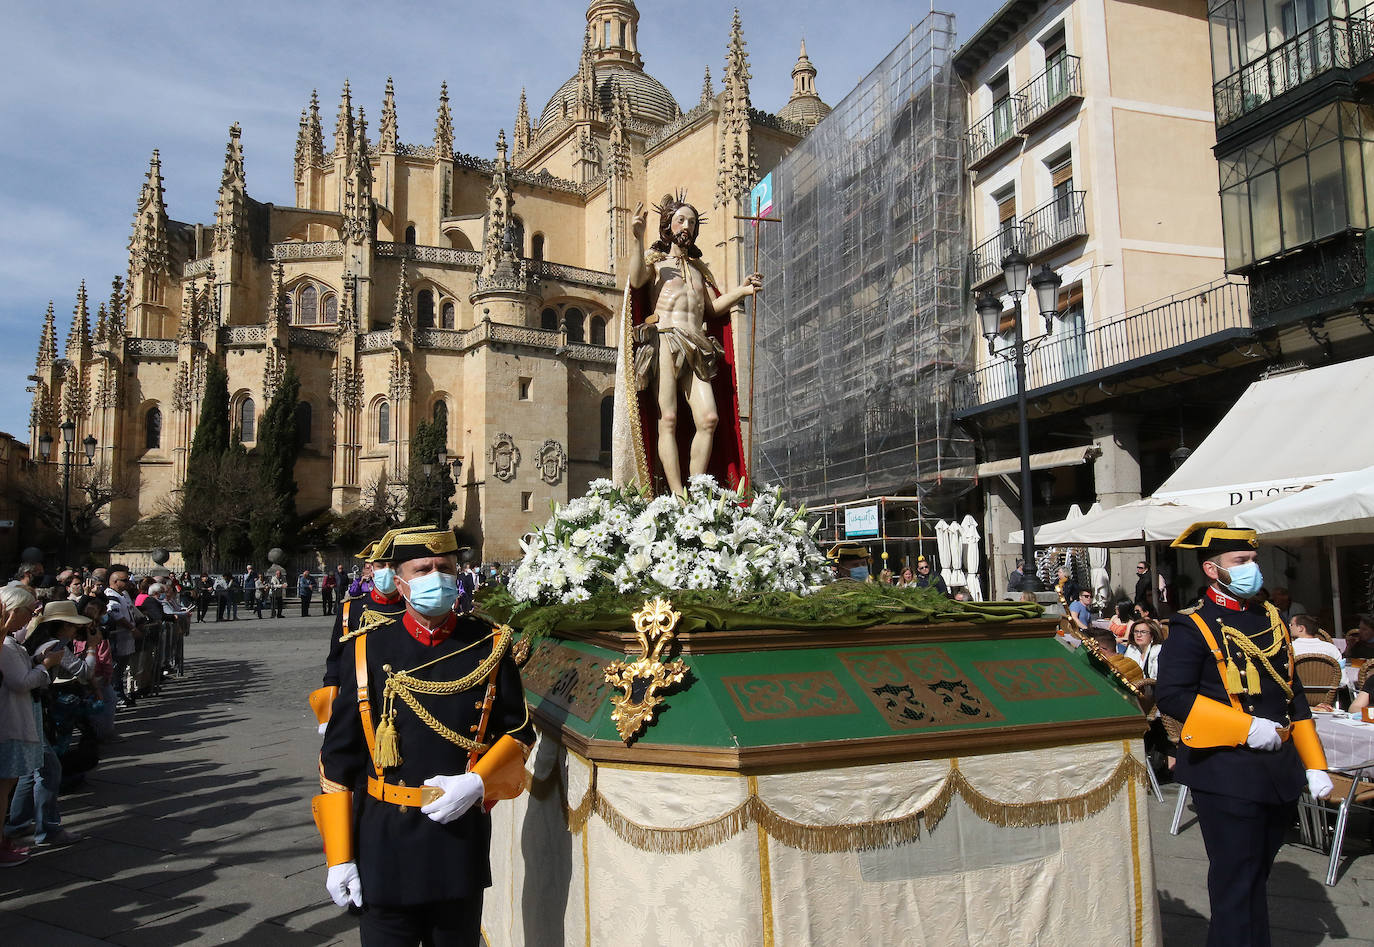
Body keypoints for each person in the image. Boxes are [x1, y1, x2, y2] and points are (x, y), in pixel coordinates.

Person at [315, 526, 535, 945]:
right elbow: (337, 760)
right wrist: (339, 856)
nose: (437, 577)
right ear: (400, 582)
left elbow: (519, 731)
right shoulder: (366, 649)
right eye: (423, 569)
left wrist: (478, 782)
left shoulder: (489, 643)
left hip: (457, 838)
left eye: (445, 568)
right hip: (384, 839)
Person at [1156, 521, 1332, 947]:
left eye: (1254, 559)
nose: (1254, 568)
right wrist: (1246, 728)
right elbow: (1172, 695)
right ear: (1213, 570)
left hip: (1278, 771)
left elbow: (1292, 696)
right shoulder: (1192, 625)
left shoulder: (1269, 616)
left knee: (1257, 878)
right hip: (1226, 771)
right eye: (1242, 561)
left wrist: (1315, 764)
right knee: (1236, 885)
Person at [617, 194, 759, 495]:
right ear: (668, 225)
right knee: (667, 418)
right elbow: (637, 280)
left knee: (709, 418)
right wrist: (638, 238)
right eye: (681, 220)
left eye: (692, 222)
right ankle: (677, 494)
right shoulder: (657, 263)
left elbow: (713, 308)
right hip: (666, 340)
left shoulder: (698, 270)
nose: (687, 226)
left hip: (697, 346)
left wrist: (742, 291)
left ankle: (696, 490)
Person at [5, 599, 96, 848]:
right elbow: (84, 673)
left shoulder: (33, 642)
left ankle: (18, 823)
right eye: (73, 625)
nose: (77, 630)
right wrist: (90, 650)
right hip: (35, 709)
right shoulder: (53, 646)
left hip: (35, 709)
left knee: (32, 770)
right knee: (48, 768)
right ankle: (46, 828)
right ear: (64, 625)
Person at [312, 532, 406, 734]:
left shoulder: (411, 608)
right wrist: (329, 710)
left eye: (392, 565)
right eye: (381, 566)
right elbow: (335, 660)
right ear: (371, 569)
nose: (387, 571)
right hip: (358, 698)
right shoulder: (351, 610)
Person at [0, 585, 45, 865]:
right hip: (9, 722)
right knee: (4, 787)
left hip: (11, 720)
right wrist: (42, 668)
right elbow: (19, 681)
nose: (31, 618)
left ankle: (5, 838)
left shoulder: (8, 642)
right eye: (29, 612)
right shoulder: (5, 645)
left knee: (9, 784)